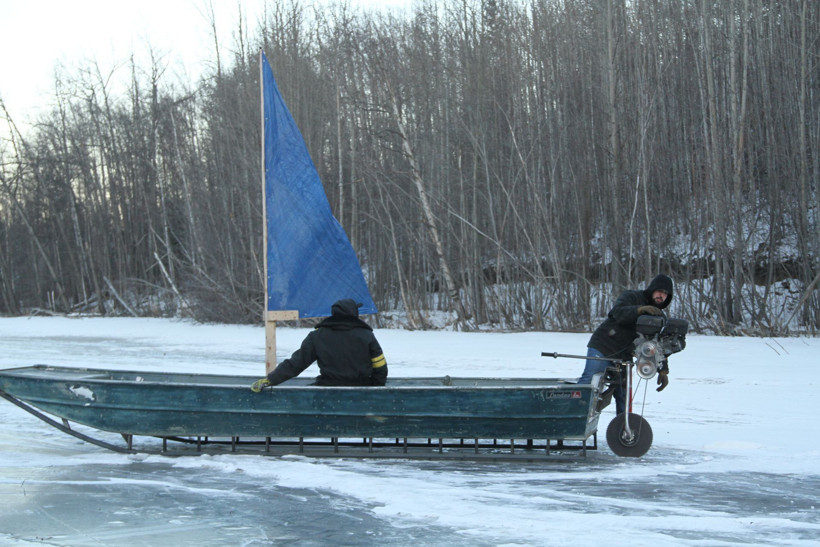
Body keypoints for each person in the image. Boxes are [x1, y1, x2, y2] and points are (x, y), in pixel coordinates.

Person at [578, 274, 675, 414]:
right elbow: (616, 313)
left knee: (624, 394)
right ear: (652, 289)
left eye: (666, 294)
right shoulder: (631, 297)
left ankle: (624, 430)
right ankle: (571, 419)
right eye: (660, 291)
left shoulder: (659, 317)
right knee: (589, 383)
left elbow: (656, 346)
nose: (662, 295)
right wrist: (639, 310)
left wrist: (663, 370)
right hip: (603, 346)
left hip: (623, 357)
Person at [251, 298, 387, 391]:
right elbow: (380, 367)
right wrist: (375, 389)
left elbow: (296, 363)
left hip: (327, 392)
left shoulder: (317, 336)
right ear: (353, 313)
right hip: (361, 391)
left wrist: (271, 379)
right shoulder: (366, 335)